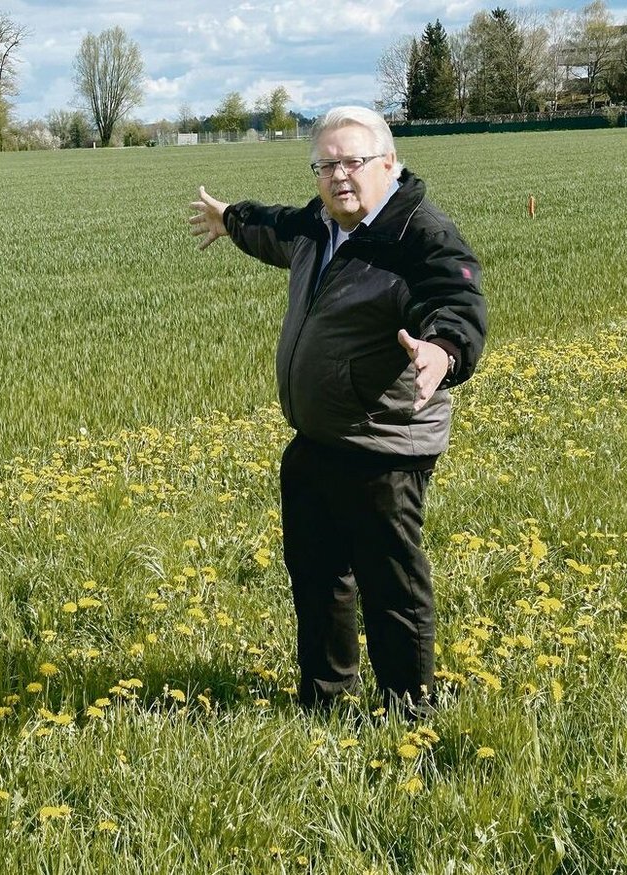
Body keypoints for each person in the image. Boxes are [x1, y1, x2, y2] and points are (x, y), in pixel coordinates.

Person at [188, 105, 487, 717]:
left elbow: (454, 298)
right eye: (326, 165)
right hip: (318, 438)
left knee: (391, 586)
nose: (338, 176)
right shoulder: (322, 224)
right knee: (317, 575)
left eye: (352, 162)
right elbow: (272, 227)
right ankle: (325, 699)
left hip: (383, 446)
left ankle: (411, 712)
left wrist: (442, 350)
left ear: (387, 162)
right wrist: (229, 218)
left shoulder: (419, 236)